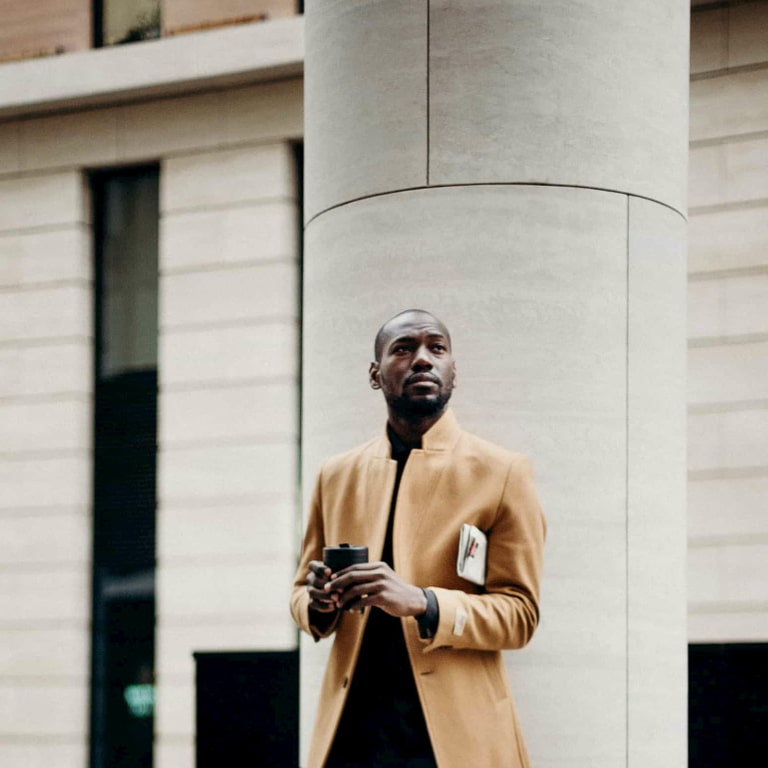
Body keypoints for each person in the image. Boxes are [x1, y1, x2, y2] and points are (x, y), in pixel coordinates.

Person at [290, 309, 546, 768]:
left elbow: (520, 615)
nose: (422, 359)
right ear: (375, 374)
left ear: (453, 371)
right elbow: (298, 593)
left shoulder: (502, 472)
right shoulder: (337, 475)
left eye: (436, 348)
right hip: (354, 735)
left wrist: (423, 602)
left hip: (453, 740)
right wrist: (318, 602)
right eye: (404, 349)